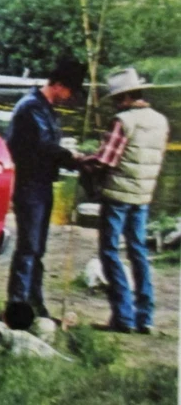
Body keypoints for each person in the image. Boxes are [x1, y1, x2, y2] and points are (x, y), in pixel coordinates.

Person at [81, 68, 170, 334]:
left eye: (116, 100)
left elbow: (105, 160)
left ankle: (124, 318)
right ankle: (146, 318)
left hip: (118, 195)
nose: (115, 104)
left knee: (109, 252)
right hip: (143, 196)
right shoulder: (160, 120)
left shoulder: (123, 121)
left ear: (125, 98)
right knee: (138, 252)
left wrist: (81, 159)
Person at [5, 59, 86, 318]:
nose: (70, 97)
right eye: (70, 91)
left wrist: (69, 157)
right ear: (59, 85)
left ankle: (34, 302)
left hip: (42, 183)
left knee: (37, 248)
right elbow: (43, 147)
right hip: (29, 184)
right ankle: (17, 305)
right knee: (28, 247)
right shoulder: (32, 108)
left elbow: (48, 146)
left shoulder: (45, 108)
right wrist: (71, 156)